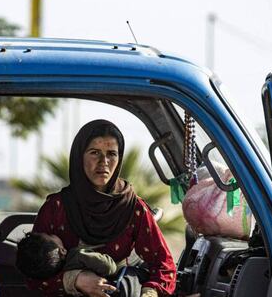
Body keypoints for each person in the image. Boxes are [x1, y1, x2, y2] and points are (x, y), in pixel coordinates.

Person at [26, 119, 176, 297]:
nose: (103, 161)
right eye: (94, 153)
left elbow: (164, 265)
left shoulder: (133, 207)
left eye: (111, 154)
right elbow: (32, 274)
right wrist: (75, 280)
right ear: (79, 156)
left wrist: (150, 292)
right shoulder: (56, 208)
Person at [16, 232, 118, 281]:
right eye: (50, 236)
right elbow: (110, 267)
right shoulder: (80, 255)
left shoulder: (57, 275)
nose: (52, 233)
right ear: (63, 251)